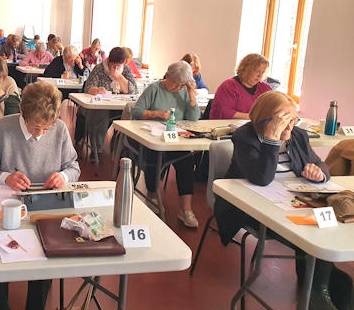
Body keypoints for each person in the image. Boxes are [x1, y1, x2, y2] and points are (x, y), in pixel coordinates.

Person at [213, 91, 344, 310]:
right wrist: (272, 140)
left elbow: (320, 163)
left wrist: (319, 173)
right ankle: (316, 297)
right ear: (265, 119)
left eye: (293, 119)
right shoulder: (245, 136)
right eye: (284, 120)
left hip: (291, 202)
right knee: (311, 235)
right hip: (249, 207)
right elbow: (261, 178)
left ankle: (322, 292)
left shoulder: (298, 135)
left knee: (323, 230)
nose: (290, 126)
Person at [0, 81, 80, 310]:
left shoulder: (59, 129)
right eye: (36, 127)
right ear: (21, 111)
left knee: (45, 255)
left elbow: (73, 167)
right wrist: (5, 177)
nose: (40, 134)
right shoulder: (4, 128)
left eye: (46, 128)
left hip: (45, 206)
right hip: (8, 205)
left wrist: (62, 176)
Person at [132, 61, 200, 227]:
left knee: (187, 161)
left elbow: (193, 119)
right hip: (151, 137)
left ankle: (186, 210)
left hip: (174, 139)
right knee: (154, 155)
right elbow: (137, 111)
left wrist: (191, 96)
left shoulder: (185, 91)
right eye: (175, 83)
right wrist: (156, 113)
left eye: (181, 85)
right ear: (167, 76)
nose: (178, 88)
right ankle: (152, 196)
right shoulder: (154, 89)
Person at [82, 47, 137, 158]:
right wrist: (96, 90)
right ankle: (97, 149)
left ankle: (123, 149)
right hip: (102, 106)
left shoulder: (126, 70)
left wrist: (119, 77)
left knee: (131, 113)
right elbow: (88, 87)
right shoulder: (99, 68)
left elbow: (133, 90)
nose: (115, 68)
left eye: (118, 66)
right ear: (108, 61)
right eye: (113, 66)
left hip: (120, 107)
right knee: (101, 113)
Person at [210, 53, 272, 119]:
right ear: (246, 70)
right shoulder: (229, 86)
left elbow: (273, 108)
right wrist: (252, 117)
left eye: (263, 72)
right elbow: (224, 112)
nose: (260, 76)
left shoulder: (266, 88)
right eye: (257, 72)